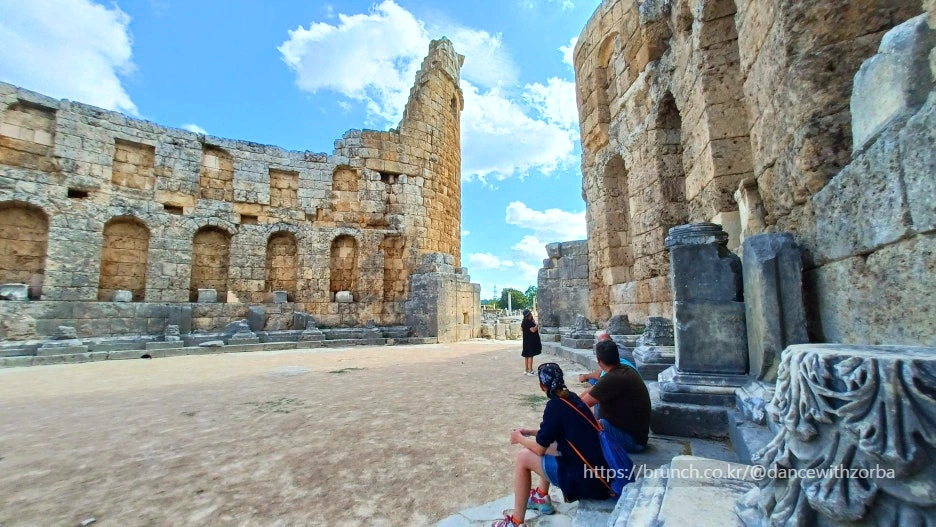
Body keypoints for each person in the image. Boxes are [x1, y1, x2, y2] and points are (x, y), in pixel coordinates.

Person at [493, 363, 614, 527]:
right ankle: (541, 497)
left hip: (586, 480)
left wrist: (519, 438)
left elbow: (539, 449)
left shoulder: (554, 406)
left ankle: (516, 521)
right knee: (552, 444)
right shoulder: (572, 398)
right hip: (597, 475)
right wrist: (529, 432)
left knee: (523, 457)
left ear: (542, 386)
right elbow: (551, 433)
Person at [579, 339, 651, 453]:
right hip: (637, 436)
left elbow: (579, 405)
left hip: (633, 442)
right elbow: (593, 391)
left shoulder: (612, 378)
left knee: (582, 422)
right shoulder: (624, 369)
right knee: (594, 403)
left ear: (599, 360)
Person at [520, 309, 542, 376]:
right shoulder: (528, 322)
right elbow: (533, 330)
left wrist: (534, 322)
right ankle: (530, 370)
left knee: (526, 355)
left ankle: (526, 370)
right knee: (530, 355)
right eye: (530, 314)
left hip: (526, 340)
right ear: (528, 315)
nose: (531, 315)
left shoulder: (524, 321)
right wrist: (537, 325)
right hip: (530, 341)